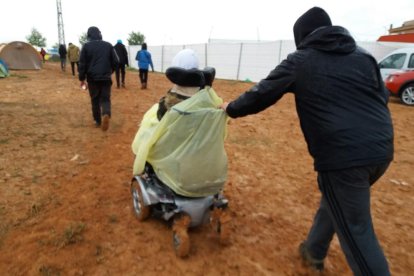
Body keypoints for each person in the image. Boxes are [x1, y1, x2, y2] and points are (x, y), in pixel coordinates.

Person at [220, 7, 393, 276]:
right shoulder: (364, 56)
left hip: (344, 158)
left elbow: (262, 92)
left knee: (357, 229)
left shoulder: (301, 60)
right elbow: (380, 97)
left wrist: (230, 109)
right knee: (337, 199)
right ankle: (313, 251)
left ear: (302, 37)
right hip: (382, 150)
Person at [132, 49, 227, 197]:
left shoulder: (168, 104)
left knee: (146, 136)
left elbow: (158, 124)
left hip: (175, 160)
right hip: (200, 157)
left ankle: (149, 174)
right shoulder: (210, 102)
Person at [79, 26, 119, 131]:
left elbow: (82, 64)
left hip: (92, 78)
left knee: (95, 99)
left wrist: (82, 79)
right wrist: (110, 71)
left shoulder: (86, 46)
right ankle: (106, 113)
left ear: (89, 35)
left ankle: (97, 121)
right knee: (105, 98)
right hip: (106, 77)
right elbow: (116, 61)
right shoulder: (108, 45)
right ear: (99, 34)